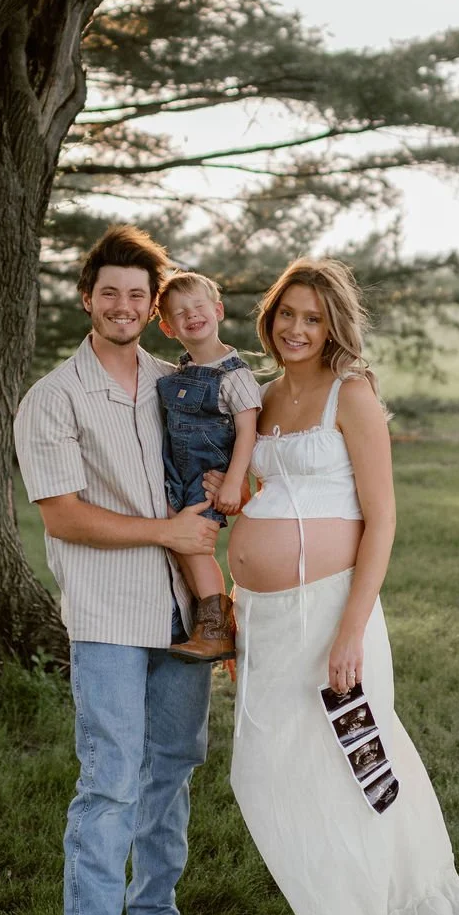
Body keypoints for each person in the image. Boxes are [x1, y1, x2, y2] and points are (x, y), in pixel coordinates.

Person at [221, 258, 459, 915]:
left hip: (331, 610)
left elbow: (383, 516)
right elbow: (275, 493)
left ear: (332, 326)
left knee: (345, 767)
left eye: (313, 318)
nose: (297, 328)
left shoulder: (352, 396)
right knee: (272, 771)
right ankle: (330, 912)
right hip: (264, 616)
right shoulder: (264, 397)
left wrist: (351, 631)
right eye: (287, 314)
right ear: (270, 317)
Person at [14, 225, 220, 915]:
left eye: (139, 294)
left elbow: (215, 470)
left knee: (172, 765)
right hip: (106, 614)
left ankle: (154, 912)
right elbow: (63, 517)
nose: (124, 305)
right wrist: (166, 531)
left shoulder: (179, 383)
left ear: (154, 305)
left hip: (183, 607)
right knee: (109, 785)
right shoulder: (53, 398)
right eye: (110, 293)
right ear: (87, 299)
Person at [156, 271, 262, 662]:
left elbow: (248, 432)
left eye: (199, 306)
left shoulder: (235, 375)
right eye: (180, 312)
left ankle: (217, 628)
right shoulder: (178, 372)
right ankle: (205, 618)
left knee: (196, 548)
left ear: (217, 310)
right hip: (175, 473)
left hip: (208, 476)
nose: (191, 315)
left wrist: (234, 482)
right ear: (168, 328)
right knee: (178, 543)